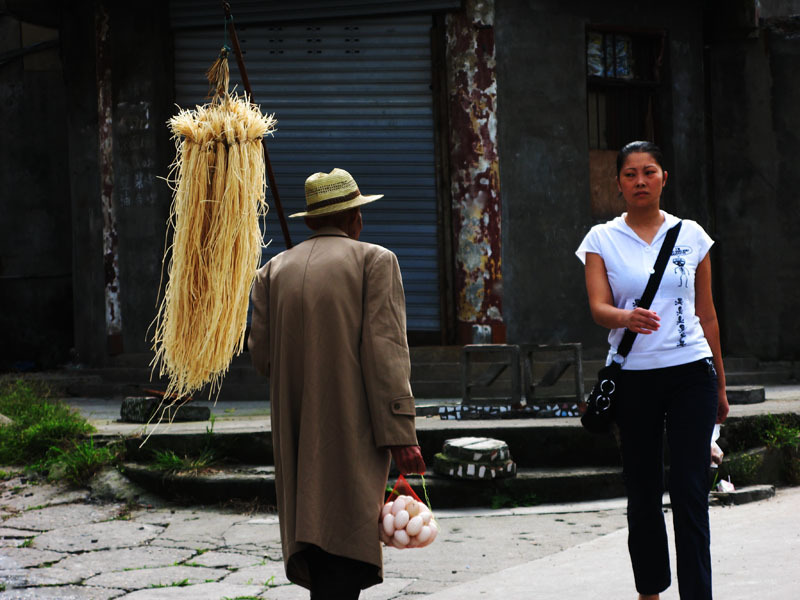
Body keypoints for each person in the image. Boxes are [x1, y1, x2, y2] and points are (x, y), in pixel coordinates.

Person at [248, 168, 426, 599]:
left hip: (298, 428)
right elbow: (386, 354)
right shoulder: (375, 261)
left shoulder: (271, 272)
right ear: (355, 218)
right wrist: (402, 434)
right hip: (352, 427)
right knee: (347, 535)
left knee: (315, 533)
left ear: (310, 221)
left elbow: (263, 357)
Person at [576, 141, 729, 600]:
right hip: (634, 379)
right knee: (642, 495)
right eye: (630, 174)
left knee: (689, 493)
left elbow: (708, 315)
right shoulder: (600, 239)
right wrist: (626, 317)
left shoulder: (692, 235)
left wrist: (721, 386)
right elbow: (599, 307)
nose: (640, 181)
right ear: (618, 182)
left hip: (690, 373)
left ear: (664, 178)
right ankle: (650, 593)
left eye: (649, 172)